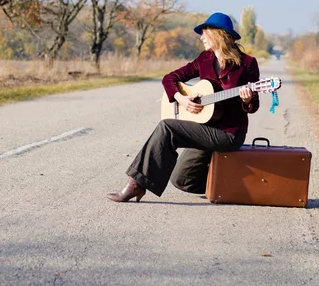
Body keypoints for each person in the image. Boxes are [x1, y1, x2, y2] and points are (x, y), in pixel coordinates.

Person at [107, 12, 260, 203]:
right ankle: (229, 185)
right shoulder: (204, 59)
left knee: (167, 127)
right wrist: (181, 98)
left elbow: (254, 106)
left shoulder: (247, 64)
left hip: (227, 134)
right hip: (205, 127)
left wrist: (246, 100)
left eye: (205, 33)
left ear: (218, 34)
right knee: (182, 179)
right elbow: (169, 78)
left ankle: (136, 186)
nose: (201, 37)